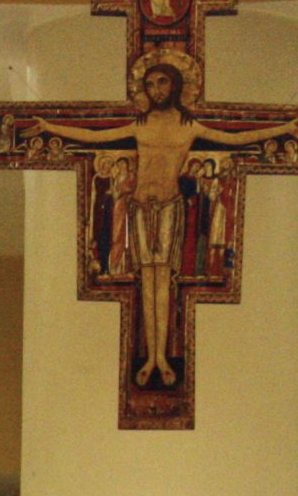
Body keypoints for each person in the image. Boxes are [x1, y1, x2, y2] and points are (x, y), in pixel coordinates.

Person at [27, 58, 298, 386]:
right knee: (147, 281)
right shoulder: (139, 125)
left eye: (162, 82)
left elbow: (236, 139)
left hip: (170, 207)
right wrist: (50, 127)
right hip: (140, 207)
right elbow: (93, 136)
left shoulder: (189, 126)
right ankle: (151, 357)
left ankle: (161, 357)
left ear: (176, 86)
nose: (156, 90)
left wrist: (283, 129)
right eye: (150, 84)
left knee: (163, 283)